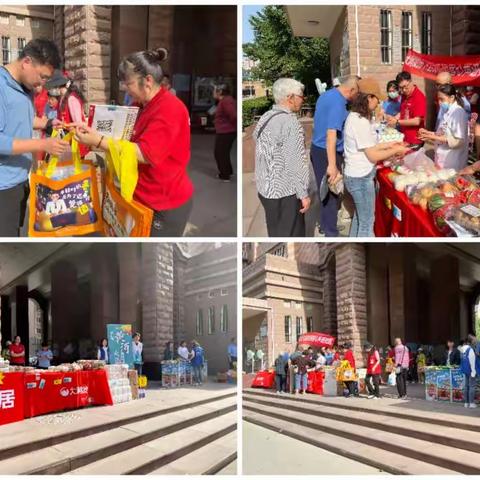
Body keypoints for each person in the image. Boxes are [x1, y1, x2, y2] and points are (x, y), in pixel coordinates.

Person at [74, 47, 194, 237]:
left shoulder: (170, 109)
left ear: (147, 81)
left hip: (163, 202)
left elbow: (145, 154)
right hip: (141, 196)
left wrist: (98, 140)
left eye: (127, 83)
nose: (124, 88)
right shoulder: (140, 105)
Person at [0, 38, 69, 236]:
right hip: (4, 187)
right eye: (42, 76)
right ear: (27, 62)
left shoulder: (25, 86)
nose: (43, 84)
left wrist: (46, 124)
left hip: (21, 179)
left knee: (16, 232)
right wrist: (42, 144)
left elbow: (21, 119)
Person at [344, 78, 410, 237]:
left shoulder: (358, 118)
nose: (378, 103)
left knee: (360, 218)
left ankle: (353, 246)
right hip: (360, 178)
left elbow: (371, 146)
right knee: (367, 223)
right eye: (376, 99)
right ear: (368, 98)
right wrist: (396, 150)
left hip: (358, 175)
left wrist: (391, 145)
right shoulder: (358, 121)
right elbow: (373, 155)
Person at [254, 78, 311, 237]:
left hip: (265, 188)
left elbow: (255, 138)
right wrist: (303, 195)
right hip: (285, 192)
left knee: (276, 231)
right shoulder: (290, 122)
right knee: (292, 234)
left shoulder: (267, 116)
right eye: (301, 96)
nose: (303, 99)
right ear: (290, 97)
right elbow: (296, 161)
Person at [311, 76, 360, 236]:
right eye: (357, 93)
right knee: (331, 193)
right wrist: (332, 165)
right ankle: (331, 233)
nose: (357, 97)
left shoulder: (328, 95)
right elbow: (331, 135)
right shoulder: (338, 103)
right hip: (326, 152)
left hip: (319, 149)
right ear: (351, 90)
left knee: (326, 191)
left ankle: (326, 225)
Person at [418, 84, 469, 172]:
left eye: (442, 99)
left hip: (452, 162)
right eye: (438, 99)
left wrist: (433, 137)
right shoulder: (447, 112)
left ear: (452, 97)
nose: (440, 102)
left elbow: (458, 141)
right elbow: (443, 133)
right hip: (441, 157)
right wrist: (428, 133)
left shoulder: (458, 113)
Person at [387, 71, 426, 147]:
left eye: (405, 86)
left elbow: (417, 121)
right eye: (401, 88)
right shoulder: (404, 95)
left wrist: (397, 122)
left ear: (411, 81)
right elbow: (403, 112)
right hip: (405, 137)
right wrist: (394, 118)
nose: (404, 90)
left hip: (415, 139)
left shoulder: (419, 97)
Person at [213, 84, 236, 182]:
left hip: (226, 132)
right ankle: (228, 171)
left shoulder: (226, 101)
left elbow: (233, 115)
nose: (213, 93)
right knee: (224, 153)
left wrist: (232, 126)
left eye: (214, 91)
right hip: (226, 131)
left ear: (220, 92)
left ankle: (225, 175)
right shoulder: (224, 101)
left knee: (220, 153)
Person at [460, 334, 479, 408]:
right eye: (474, 340)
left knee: (466, 386)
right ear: (471, 342)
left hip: (465, 370)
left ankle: (466, 403)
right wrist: (474, 372)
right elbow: (472, 361)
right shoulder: (470, 349)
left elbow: (462, 360)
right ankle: (471, 403)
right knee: (472, 386)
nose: (475, 341)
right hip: (471, 370)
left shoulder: (462, 349)